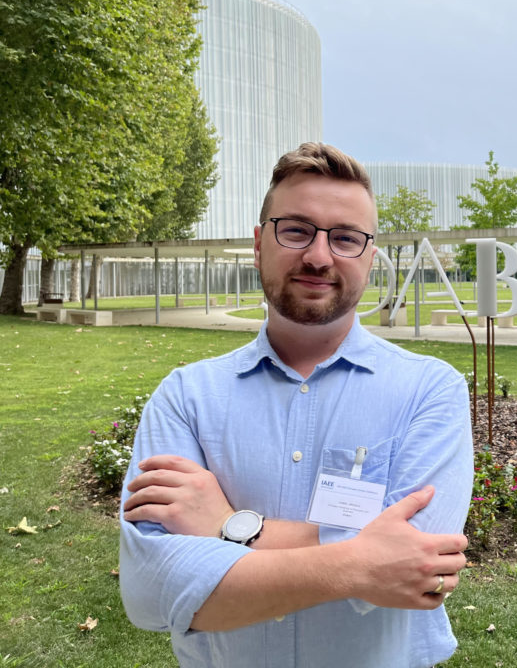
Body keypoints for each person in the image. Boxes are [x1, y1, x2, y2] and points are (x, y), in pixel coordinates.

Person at [119, 143, 474, 667]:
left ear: (370, 259)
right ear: (260, 243)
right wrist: (360, 560)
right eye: (296, 230)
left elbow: (419, 572)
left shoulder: (430, 390)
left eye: (346, 238)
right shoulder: (186, 397)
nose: (318, 255)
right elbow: (151, 592)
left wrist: (229, 528)